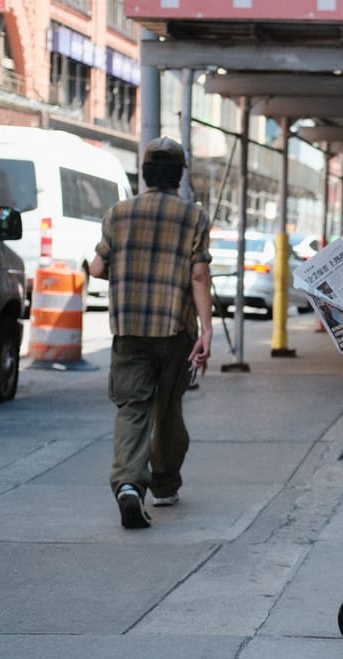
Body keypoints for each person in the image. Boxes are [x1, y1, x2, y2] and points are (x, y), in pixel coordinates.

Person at [88, 137, 212, 530]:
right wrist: (206, 329)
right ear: (179, 175)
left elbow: (96, 268)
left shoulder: (117, 214)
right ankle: (164, 485)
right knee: (167, 408)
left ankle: (128, 484)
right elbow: (199, 274)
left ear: (144, 172)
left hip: (128, 330)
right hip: (174, 328)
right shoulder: (193, 216)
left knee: (132, 408)